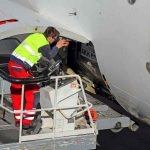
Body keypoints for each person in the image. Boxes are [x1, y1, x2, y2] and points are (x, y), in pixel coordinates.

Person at [8, 26, 69, 132]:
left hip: (12, 64)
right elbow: (49, 55)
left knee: (17, 91)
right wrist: (58, 46)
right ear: (50, 37)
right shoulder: (44, 43)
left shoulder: (36, 36)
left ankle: (18, 120)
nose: (53, 42)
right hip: (20, 68)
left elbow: (36, 53)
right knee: (33, 93)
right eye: (54, 40)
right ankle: (26, 123)